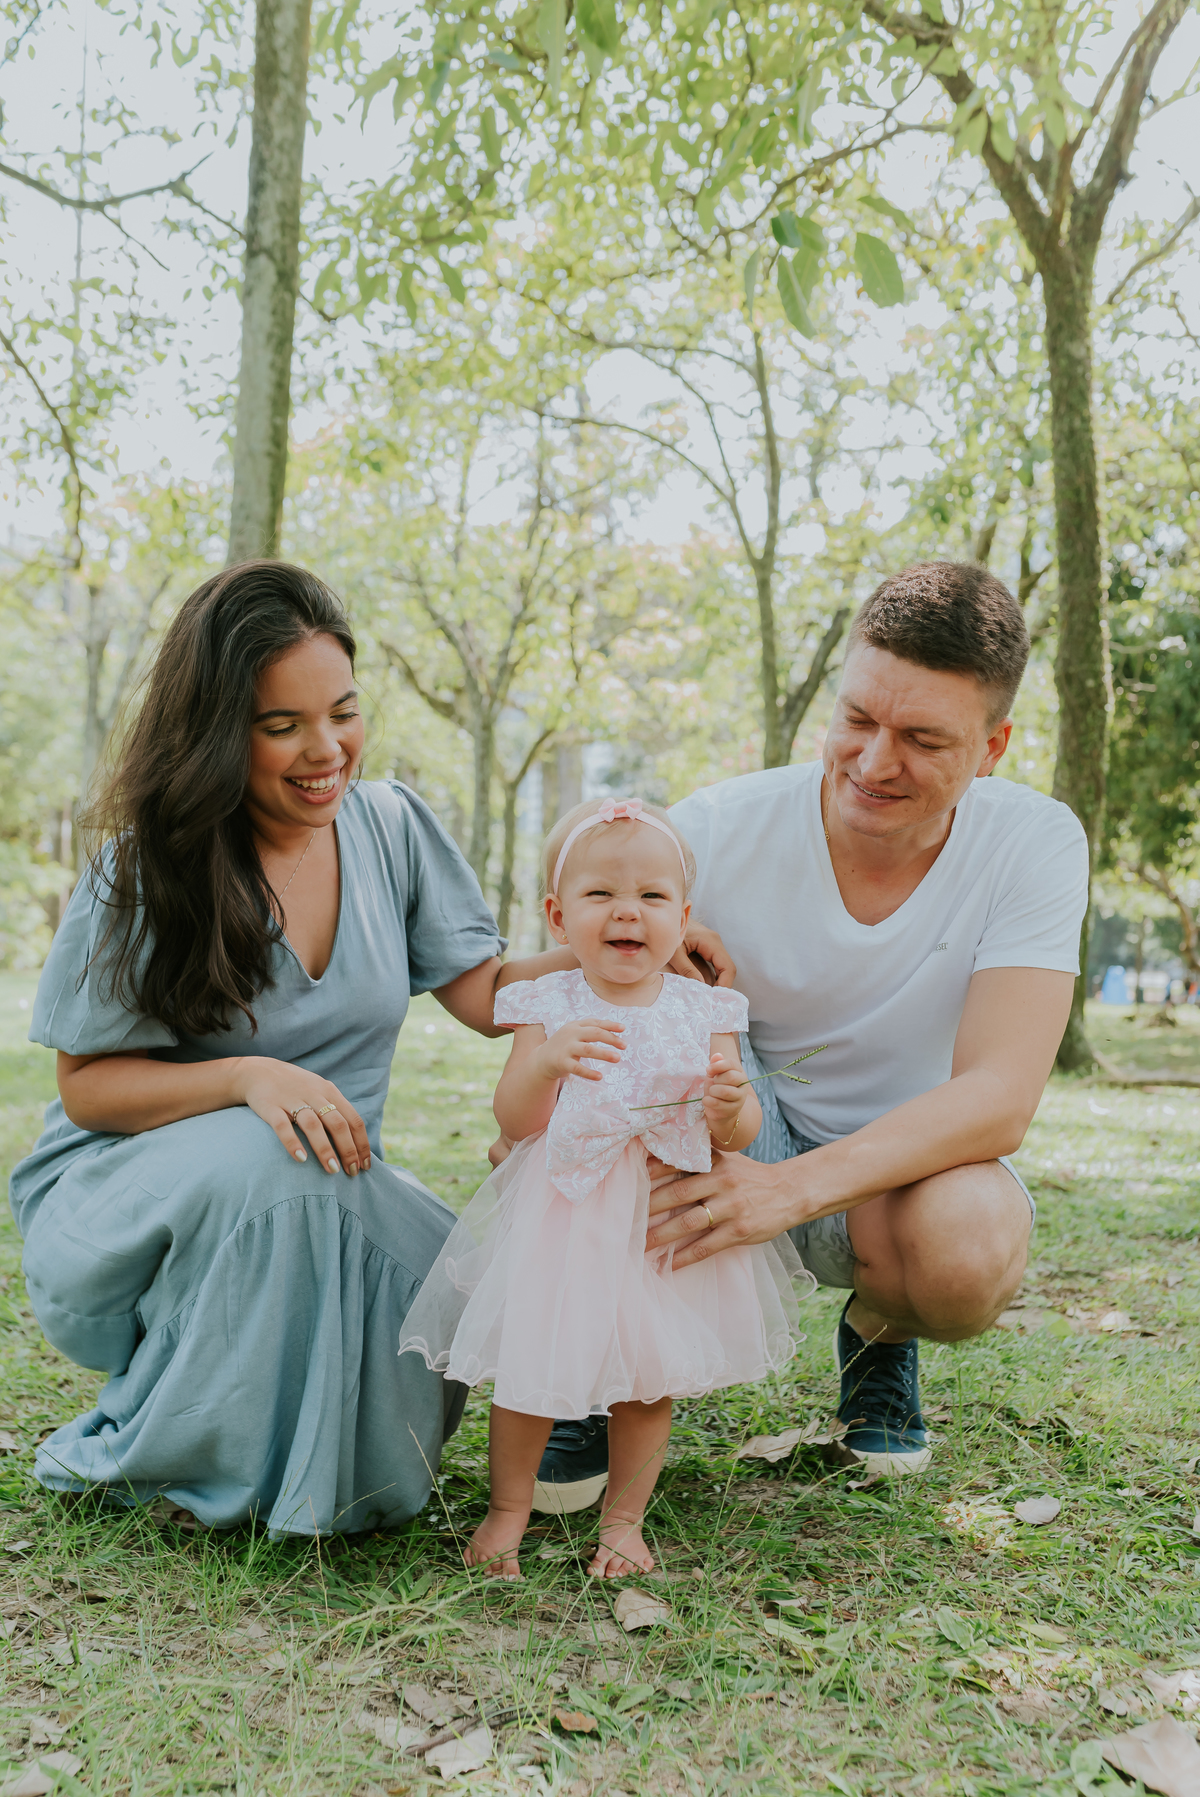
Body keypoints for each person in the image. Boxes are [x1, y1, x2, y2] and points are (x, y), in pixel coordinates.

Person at [534, 561, 1089, 1498]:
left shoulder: (1033, 843)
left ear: (992, 746)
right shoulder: (713, 827)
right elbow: (576, 956)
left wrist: (789, 1191)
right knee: (641, 1039)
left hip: (897, 1170)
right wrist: (647, 956)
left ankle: (879, 1335)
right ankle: (599, 1372)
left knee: (971, 1250)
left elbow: (1000, 1099)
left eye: (921, 737)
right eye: (859, 719)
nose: (874, 762)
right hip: (732, 1123)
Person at [9, 560, 524, 1536]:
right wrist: (248, 1077)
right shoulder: (149, 867)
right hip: (128, 1199)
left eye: (343, 712)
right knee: (274, 1161)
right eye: (280, 725)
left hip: (329, 1185)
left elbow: (493, 995)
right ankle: (161, 1453)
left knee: (455, 1272)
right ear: (215, 732)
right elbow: (87, 1089)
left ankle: (326, 1469)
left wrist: (632, 949)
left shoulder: (394, 828)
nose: (324, 749)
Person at [399, 797, 812, 1578]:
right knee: (530, 1368)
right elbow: (517, 1120)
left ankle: (624, 1523)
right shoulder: (545, 1002)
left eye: (652, 897)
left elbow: (738, 1128)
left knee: (647, 1377)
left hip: (657, 1214)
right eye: (601, 895)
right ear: (559, 917)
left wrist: (730, 1107)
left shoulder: (704, 1007)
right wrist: (547, 1062)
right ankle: (506, 1512)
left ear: (682, 915)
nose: (628, 912)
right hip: (564, 1211)